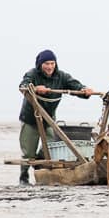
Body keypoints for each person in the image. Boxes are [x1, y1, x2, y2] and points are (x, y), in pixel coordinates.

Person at [17, 49, 95, 184]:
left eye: (52, 63)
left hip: (48, 120)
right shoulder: (32, 74)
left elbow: (75, 85)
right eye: (46, 64)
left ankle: (41, 165)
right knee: (28, 152)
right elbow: (23, 85)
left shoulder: (61, 76)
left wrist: (84, 90)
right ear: (40, 64)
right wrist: (35, 88)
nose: (50, 67)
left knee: (51, 147)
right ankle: (23, 177)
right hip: (31, 119)